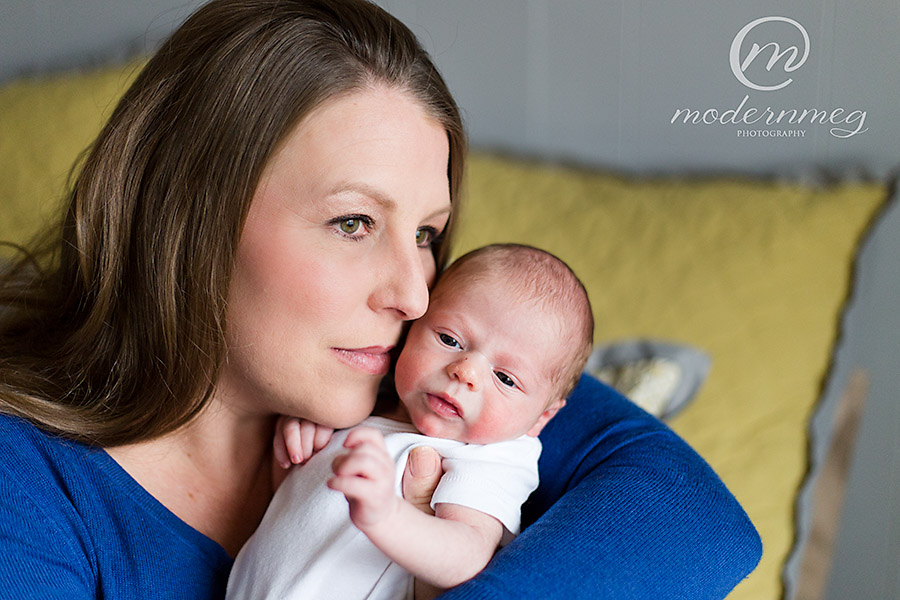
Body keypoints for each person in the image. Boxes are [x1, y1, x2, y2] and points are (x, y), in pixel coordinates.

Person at [0, 0, 761, 598]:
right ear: (188, 217)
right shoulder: (27, 488)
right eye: (354, 222)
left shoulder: (437, 378)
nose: (414, 293)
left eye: (428, 233)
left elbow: (699, 521)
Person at [226, 243, 595, 599]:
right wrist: (298, 444)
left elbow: (465, 556)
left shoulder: (490, 457)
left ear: (541, 418)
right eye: (450, 339)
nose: (466, 372)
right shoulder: (365, 406)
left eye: (506, 379)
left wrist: (388, 516)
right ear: (412, 329)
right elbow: (294, 513)